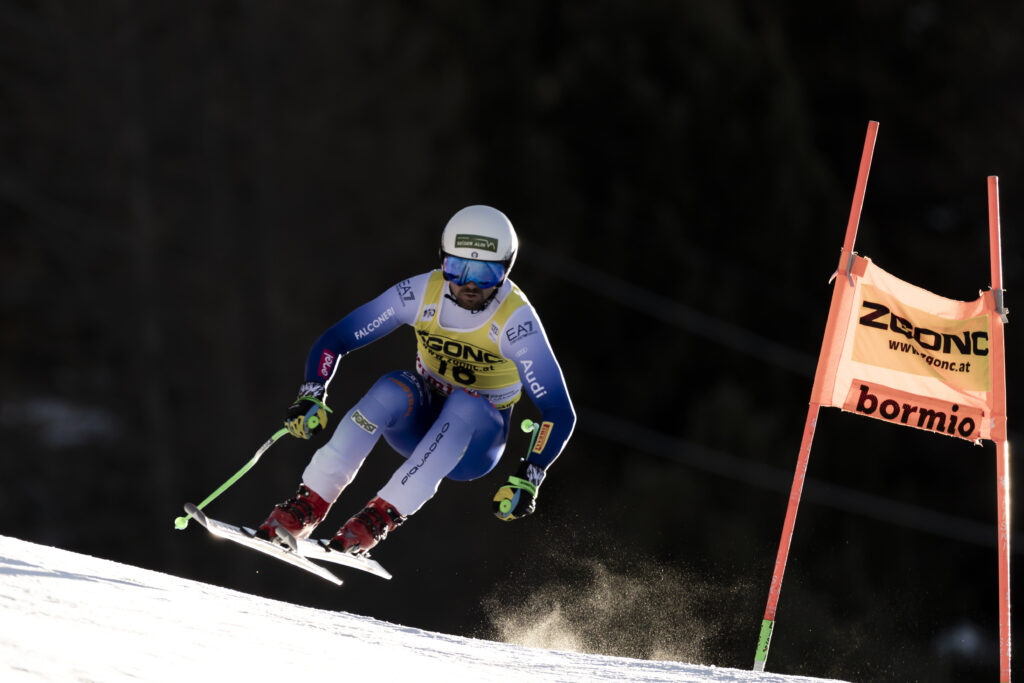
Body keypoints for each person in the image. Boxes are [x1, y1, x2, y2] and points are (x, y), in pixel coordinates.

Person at [256, 205, 576, 556]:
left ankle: (376, 520)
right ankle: (309, 504)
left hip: (473, 445)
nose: (469, 284)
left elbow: (559, 410)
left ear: (506, 270)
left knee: (466, 402)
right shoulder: (422, 292)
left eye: (485, 274)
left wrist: (529, 476)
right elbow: (337, 339)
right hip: (417, 423)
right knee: (392, 387)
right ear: (442, 261)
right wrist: (312, 392)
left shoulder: (516, 321)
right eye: (457, 268)